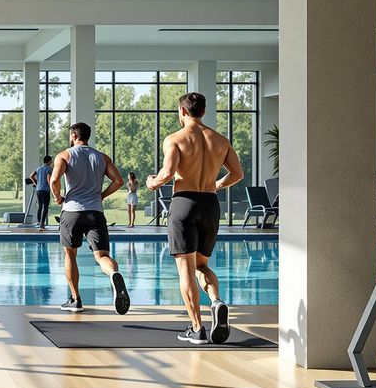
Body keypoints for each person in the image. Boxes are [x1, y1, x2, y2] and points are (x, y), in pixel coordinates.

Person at [146, 92, 244, 345]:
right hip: (210, 204)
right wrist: (216, 184)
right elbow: (238, 174)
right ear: (203, 111)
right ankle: (216, 301)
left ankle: (198, 328)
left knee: (185, 269)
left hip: (184, 204)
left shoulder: (175, 139)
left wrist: (152, 183)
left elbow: (167, 173)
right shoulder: (220, 140)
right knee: (201, 265)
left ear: (182, 111)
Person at [50, 122, 130, 314]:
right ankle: (114, 273)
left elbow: (54, 180)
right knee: (102, 256)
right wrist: (100, 195)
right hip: (96, 212)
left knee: (70, 254)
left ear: (73, 136)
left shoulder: (64, 155)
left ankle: (75, 300)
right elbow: (119, 181)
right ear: (88, 136)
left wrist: (58, 197)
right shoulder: (102, 157)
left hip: (72, 212)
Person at [28, 156, 53, 229]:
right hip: (45, 190)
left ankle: (39, 221)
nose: (51, 162)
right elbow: (49, 179)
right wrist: (51, 187)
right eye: (51, 160)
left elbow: (31, 176)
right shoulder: (49, 169)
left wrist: (36, 183)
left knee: (40, 206)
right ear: (48, 161)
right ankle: (42, 223)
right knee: (45, 207)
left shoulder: (38, 168)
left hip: (38, 190)